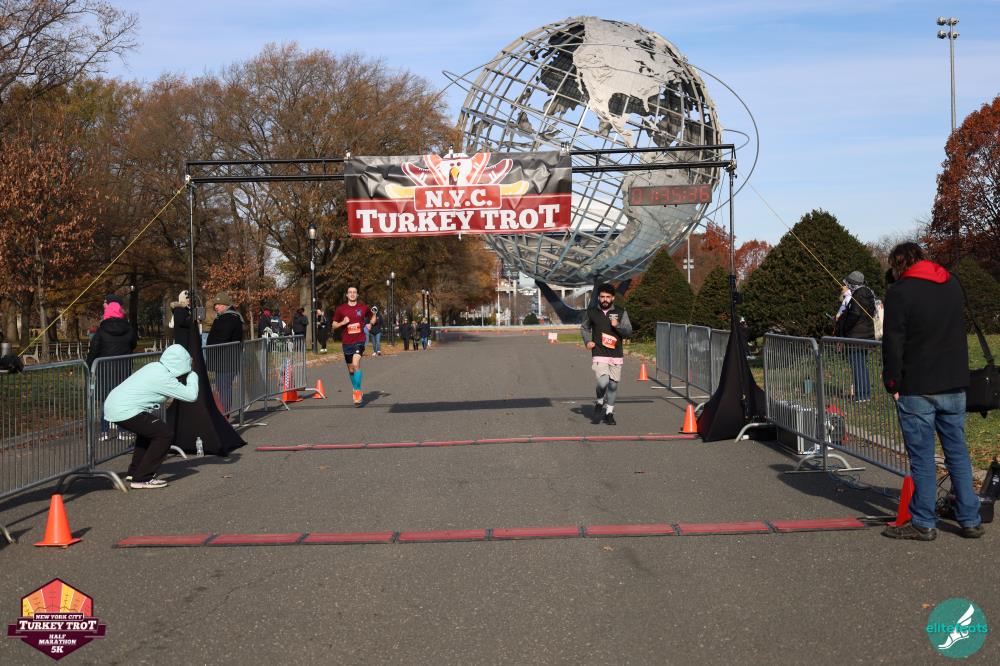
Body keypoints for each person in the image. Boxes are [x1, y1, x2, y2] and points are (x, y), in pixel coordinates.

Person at [881, 242, 983, 541]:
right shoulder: (952, 284)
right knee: (957, 453)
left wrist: (892, 382)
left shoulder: (900, 292)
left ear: (898, 264)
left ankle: (924, 522)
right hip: (953, 380)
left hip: (917, 385)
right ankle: (970, 518)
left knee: (923, 458)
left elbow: (893, 343)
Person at [103, 344, 199, 489]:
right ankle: (143, 478)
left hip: (115, 405)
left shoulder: (155, 367)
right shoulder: (164, 378)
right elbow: (191, 396)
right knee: (164, 434)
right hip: (124, 409)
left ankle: (134, 472)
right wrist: (192, 374)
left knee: (148, 433)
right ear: (182, 365)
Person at [580, 284, 632, 426]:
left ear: (613, 298)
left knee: (613, 386)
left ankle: (609, 413)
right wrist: (587, 341)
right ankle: (599, 401)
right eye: (602, 297)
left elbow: (628, 331)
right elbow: (584, 328)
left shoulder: (620, 312)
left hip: (616, 353)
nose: (605, 299)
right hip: (599, 352)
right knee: (603, 383)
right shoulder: (592, 312)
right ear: (598, 297)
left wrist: (617, 325)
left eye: (608, 297)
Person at [86, 300, 139, 437]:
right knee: (122, 399)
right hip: (123, 369)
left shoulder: (101, 330)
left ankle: (104, 431)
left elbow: (94, 349)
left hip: (105, 370)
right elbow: (133, 343)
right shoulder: (128, 329)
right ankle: (123, 430)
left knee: (105, 400)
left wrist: (89, 365)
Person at [834, 271, 876, 401]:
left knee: (857, 366)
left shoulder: (858, 294)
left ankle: (861, 395)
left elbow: (855, 314)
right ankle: (865, 394)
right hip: (865, 335)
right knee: (861, 365)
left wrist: (845, 329)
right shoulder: (868, 293)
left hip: (856, 336)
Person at [331, 286, 376, 407]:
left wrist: (370, 324)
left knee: (356, 364)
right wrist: (342, 322)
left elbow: (373, 316)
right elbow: (334, 325)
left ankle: (357, 391)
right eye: (350, 292)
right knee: (351, 369)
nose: (352, 294)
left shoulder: (363, 307)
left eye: (354, 292)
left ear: (357, 295)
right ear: (347, 295)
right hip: (347, 342)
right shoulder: (341, 309)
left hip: (359, 340)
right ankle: (356, 387)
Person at [206, 292, 244, 412]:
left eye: (218, 304)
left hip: (226, 360)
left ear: (225, 305)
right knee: (221, 387)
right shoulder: (227, 317)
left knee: (224, 387)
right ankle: (224, 412)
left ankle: (225, 413)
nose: (216, 307)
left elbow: (222, 337)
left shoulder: (229, 318)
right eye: (215, 305)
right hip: (223, 359)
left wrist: (210, 345)